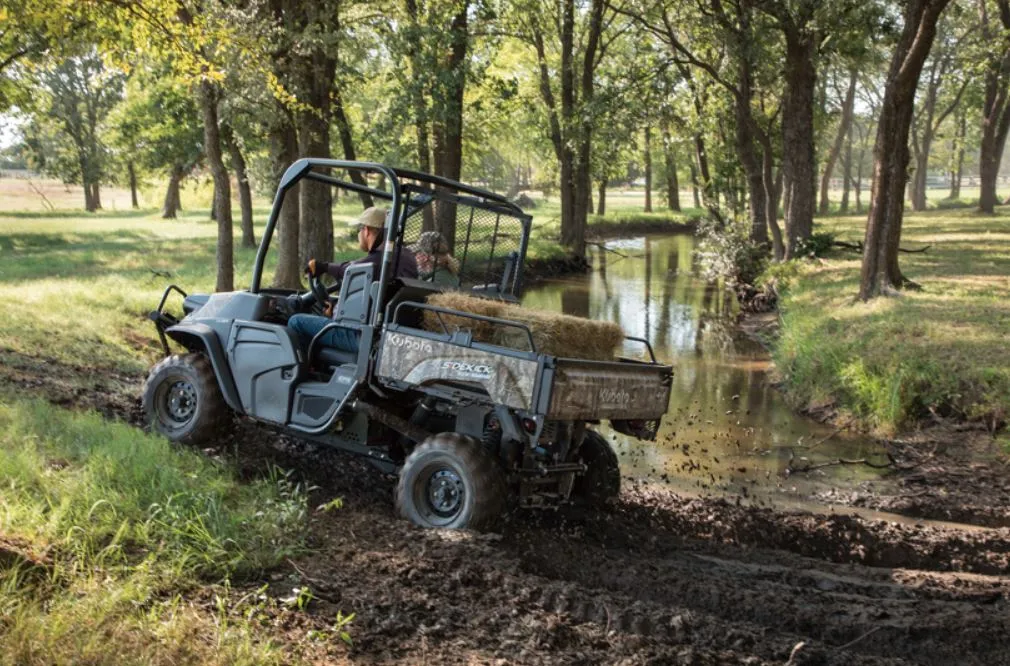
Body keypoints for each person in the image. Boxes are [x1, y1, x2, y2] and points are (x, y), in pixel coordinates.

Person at [288, 207, 418, 356]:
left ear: (367, 231)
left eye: (360, 230)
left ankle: (303, 371)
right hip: (386, 329)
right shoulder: (407, 256)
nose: (359, 234)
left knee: (296, 321)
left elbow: (352, 268)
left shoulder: (380, 259)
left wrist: (323, 267)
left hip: (363, 336)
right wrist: (336, 308)